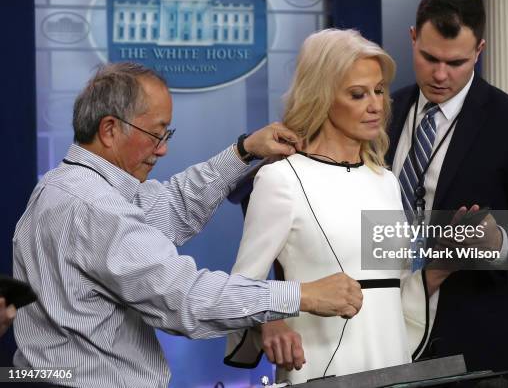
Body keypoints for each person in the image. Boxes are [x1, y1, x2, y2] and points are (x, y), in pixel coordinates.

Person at [11, 62, 363, 388]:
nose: (162, 149)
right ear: (109, 130)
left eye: (167, 133)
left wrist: (244, 151)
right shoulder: (96, 208)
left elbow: (171, 208)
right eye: (156, 133)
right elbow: (186, 299)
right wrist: (303, 295)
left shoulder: (68, 186)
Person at [386, 0, 508, 385]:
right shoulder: (382, 113)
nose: (441, 74)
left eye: (457, 62)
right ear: (412, 38)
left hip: (478, 350)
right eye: (429, 58)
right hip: (386, 333)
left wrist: (499, 243)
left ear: (479, 51)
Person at [224, 29, 419, 384]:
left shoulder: (385, 181)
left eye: (379, 90)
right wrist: (271, 320)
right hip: (320, 364)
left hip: (393, 360)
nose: (376, 105)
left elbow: (398, 284)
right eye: (358, 94)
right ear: (322, 97)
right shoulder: (281, 179)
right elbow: (242, 287)